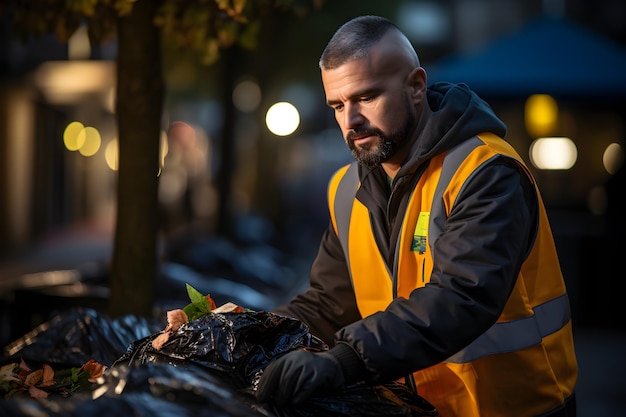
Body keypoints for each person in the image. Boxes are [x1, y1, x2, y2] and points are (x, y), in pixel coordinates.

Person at [255, 15, 578, 417]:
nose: (350, 120)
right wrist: (236, 331)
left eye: (366, 97)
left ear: (416, 86)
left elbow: (461, 295)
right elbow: (327, 304)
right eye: (337, 105)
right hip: (414, 408)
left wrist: (344, 360)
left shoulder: (486, 171)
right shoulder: (345, 188)